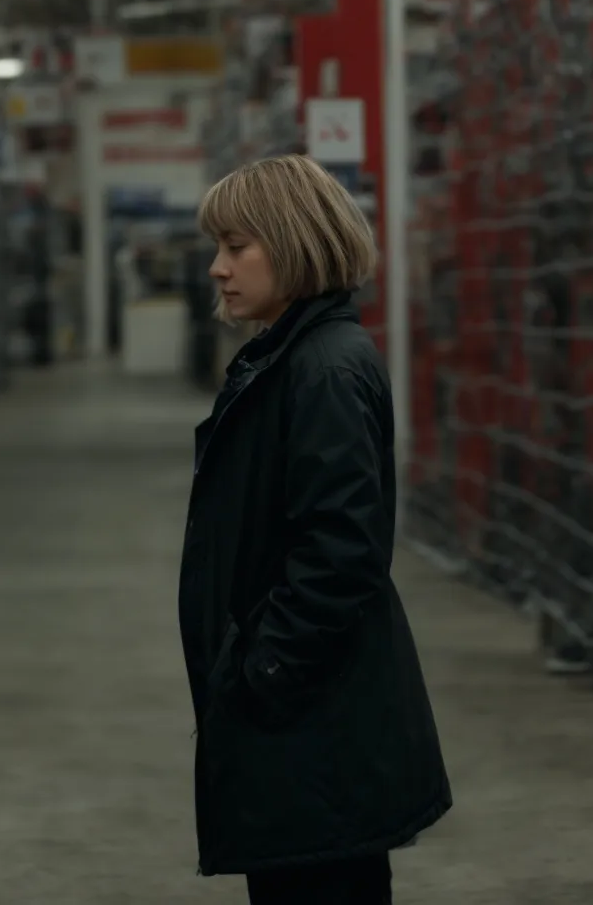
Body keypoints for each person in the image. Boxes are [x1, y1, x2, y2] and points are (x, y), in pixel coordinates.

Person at [179, 155, 452, 904]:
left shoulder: (322, 370)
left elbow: (341, 554)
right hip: (301, 720)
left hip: (312, 723)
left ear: (294, 242)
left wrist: (265, 671)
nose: (217, 268)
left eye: (237, 247)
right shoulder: (290, 359)